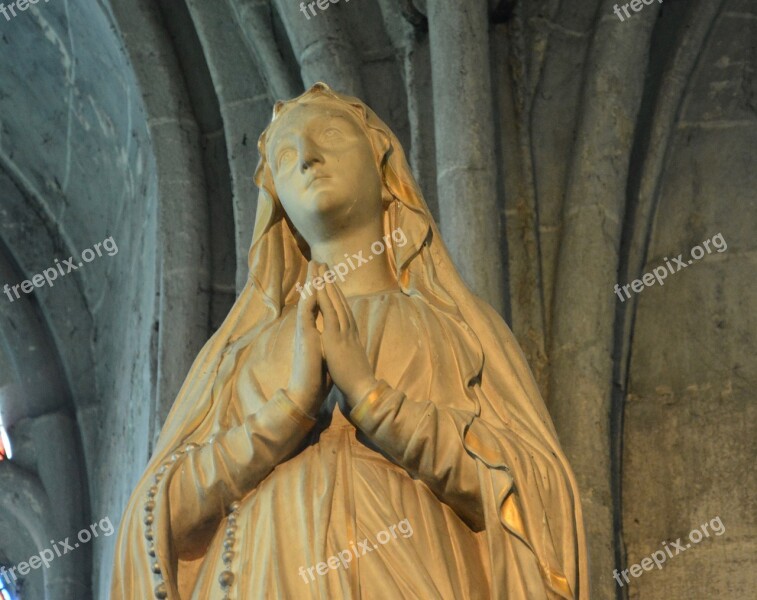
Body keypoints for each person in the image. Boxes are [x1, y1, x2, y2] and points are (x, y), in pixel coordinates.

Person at [111, 83, 588, 599]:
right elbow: (156, 514)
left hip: (416, 570)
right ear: (278, 209)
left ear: (387, 178)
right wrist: (285, 413)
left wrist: (375, 400)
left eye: (331, 135)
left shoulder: (453, 329)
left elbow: (534, 492)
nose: (309, 159)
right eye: (287, 155)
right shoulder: (242, 354)